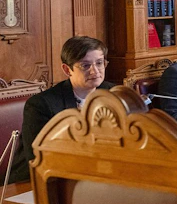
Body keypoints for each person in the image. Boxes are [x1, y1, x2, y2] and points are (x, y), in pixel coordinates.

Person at [10, 36, 115, 183]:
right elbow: (39, 157)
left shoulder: (113, 93)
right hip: (37, 182)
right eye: (85, 65)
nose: (95, 71)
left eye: (99, 63)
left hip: (96, 174)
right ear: (67, 70)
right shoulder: (42, 105)